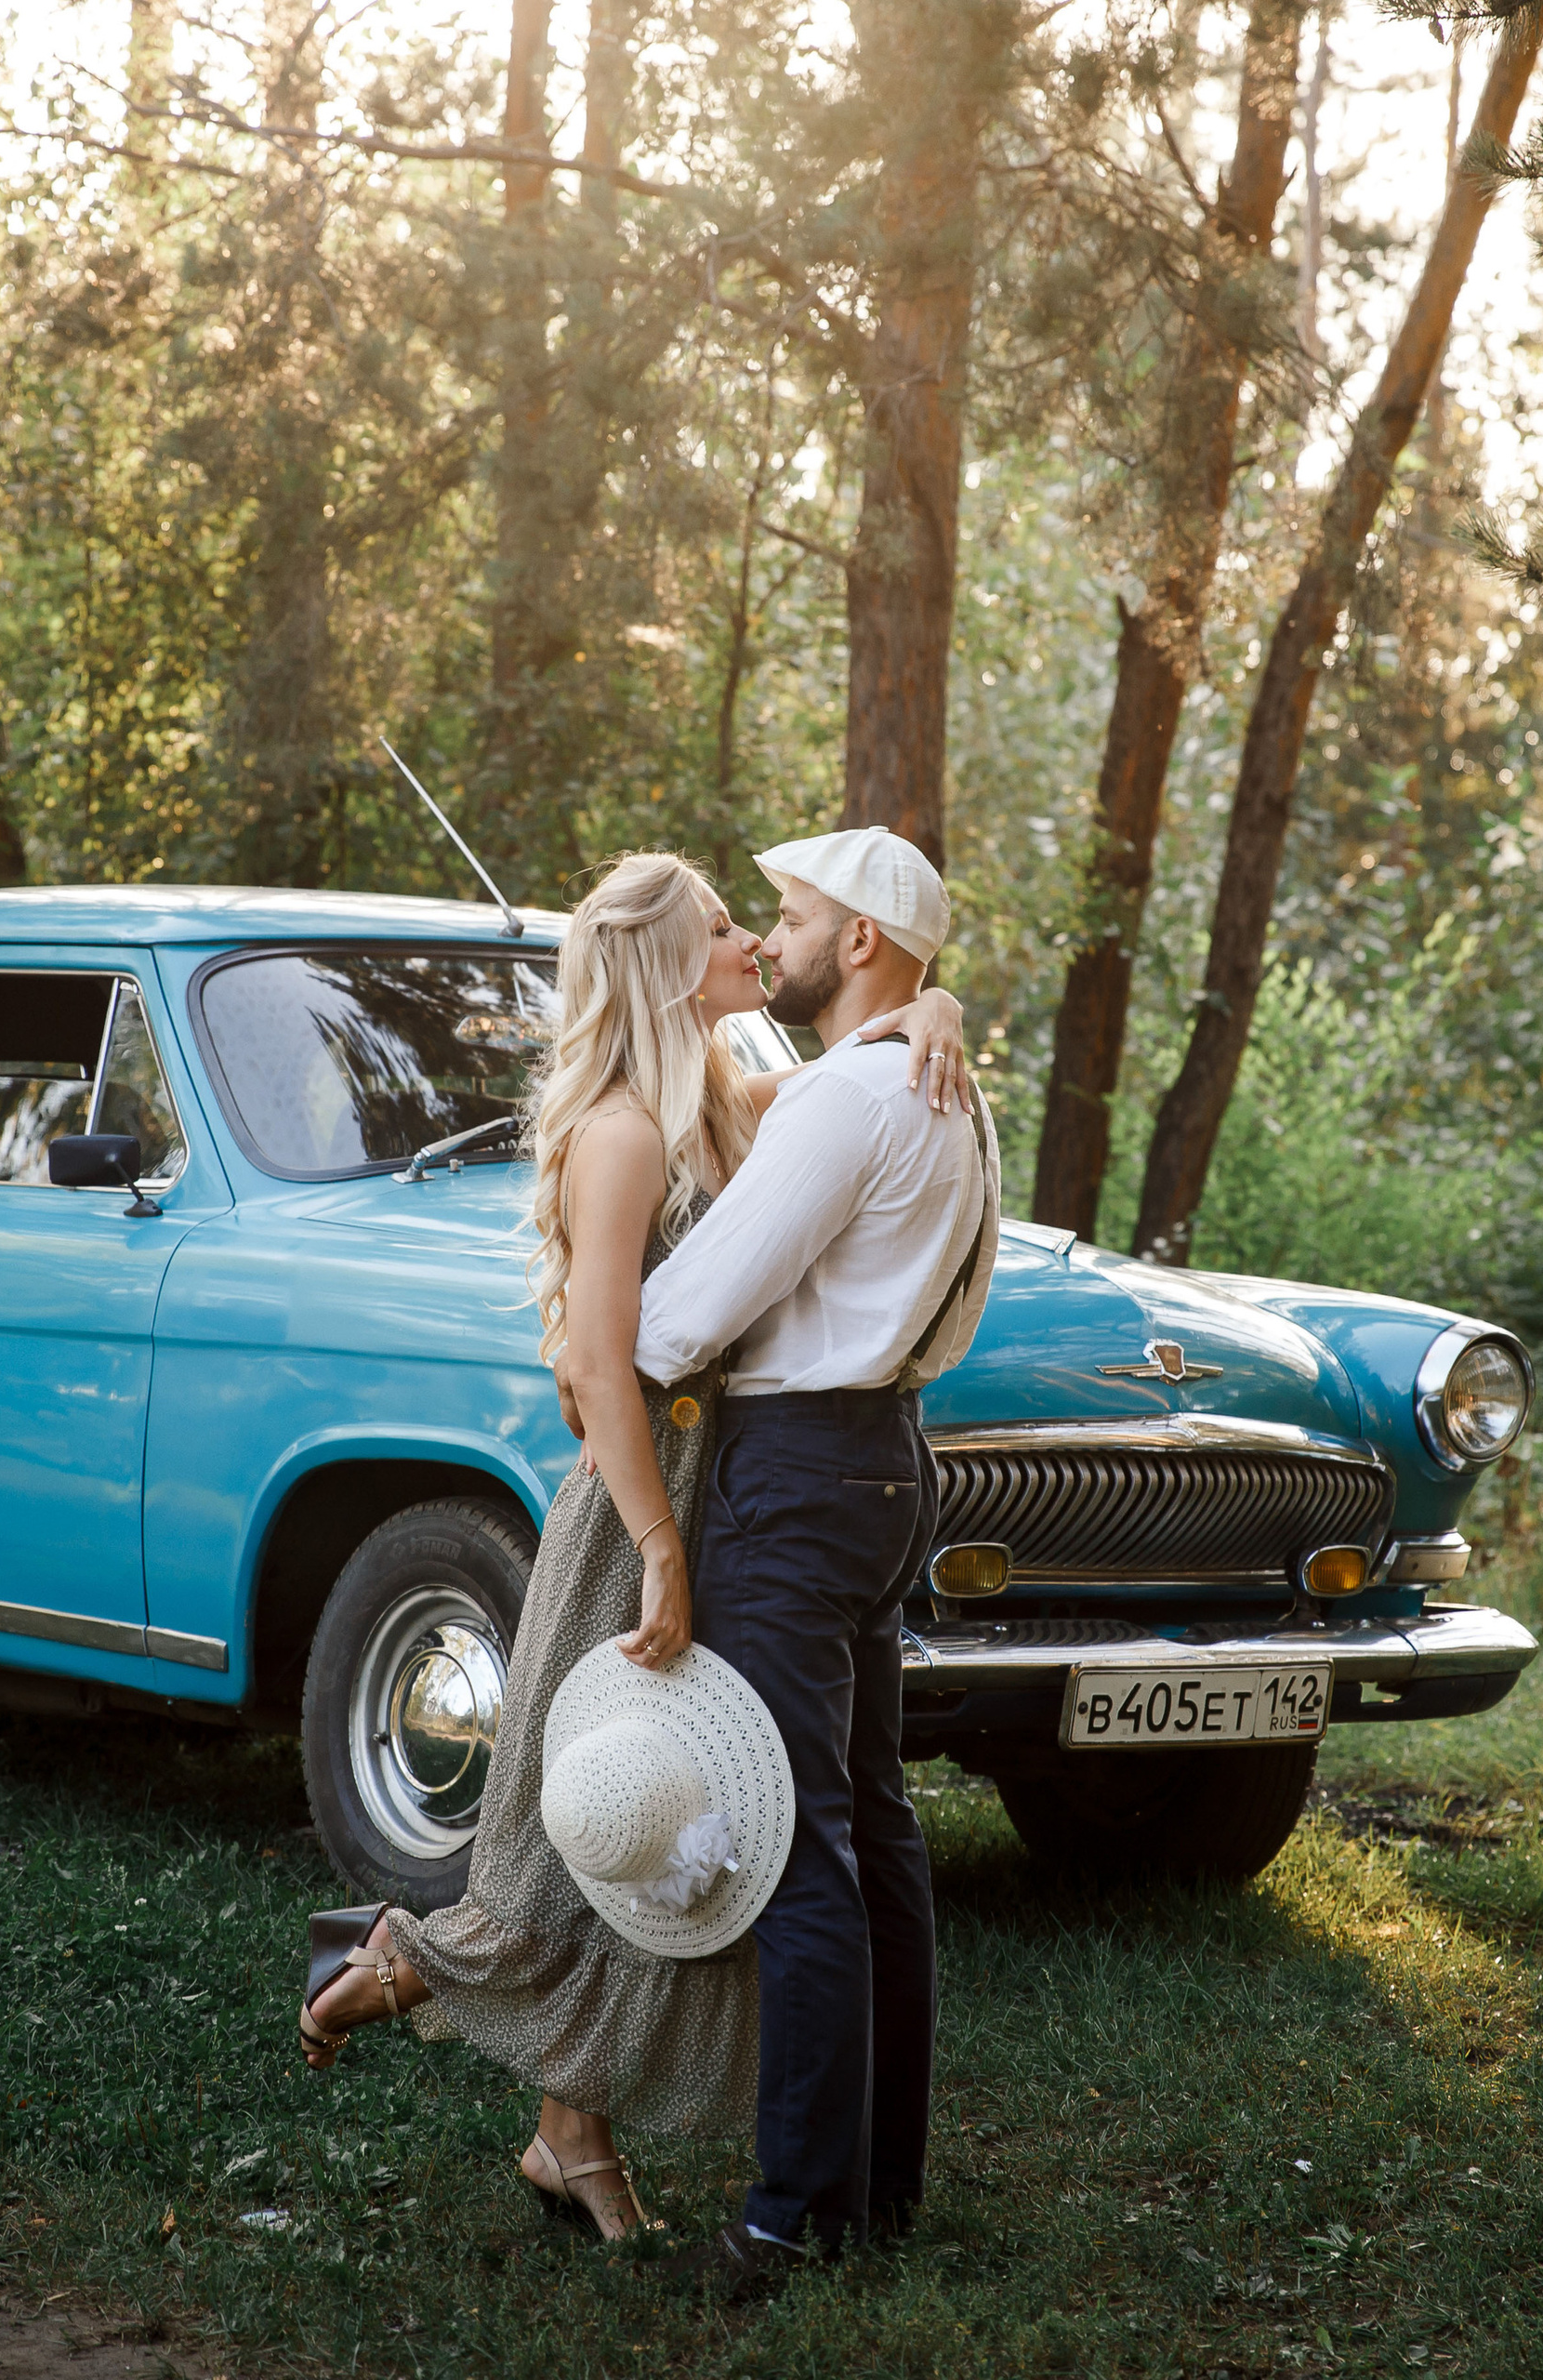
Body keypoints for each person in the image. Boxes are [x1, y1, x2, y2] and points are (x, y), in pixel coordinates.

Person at [294, 850, 968, 2242]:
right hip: (644, 1507)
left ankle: (570, 2131)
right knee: (588, 1835)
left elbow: (843, 1090)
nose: (752, 942)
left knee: (664, 1824)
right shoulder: (619, 1133)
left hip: (728, 1491)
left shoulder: (724, 1102)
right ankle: (388, 1968)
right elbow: (606, 1358)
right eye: (723, 928)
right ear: (665, 966)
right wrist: (660, 1545)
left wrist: (932, 1005)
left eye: (761, 922)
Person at [630, 825, 1000, 2293]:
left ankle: (785, 2217)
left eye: (789, 917)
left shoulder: (855, 1095)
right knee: (875, 1828)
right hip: (890, 1455)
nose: (772, 938)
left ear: (859, 942)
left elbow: (685, 1318)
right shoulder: (950, 1089)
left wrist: (601, 1325)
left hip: (795, 1474)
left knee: (797, 1840)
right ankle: (876, 2190)